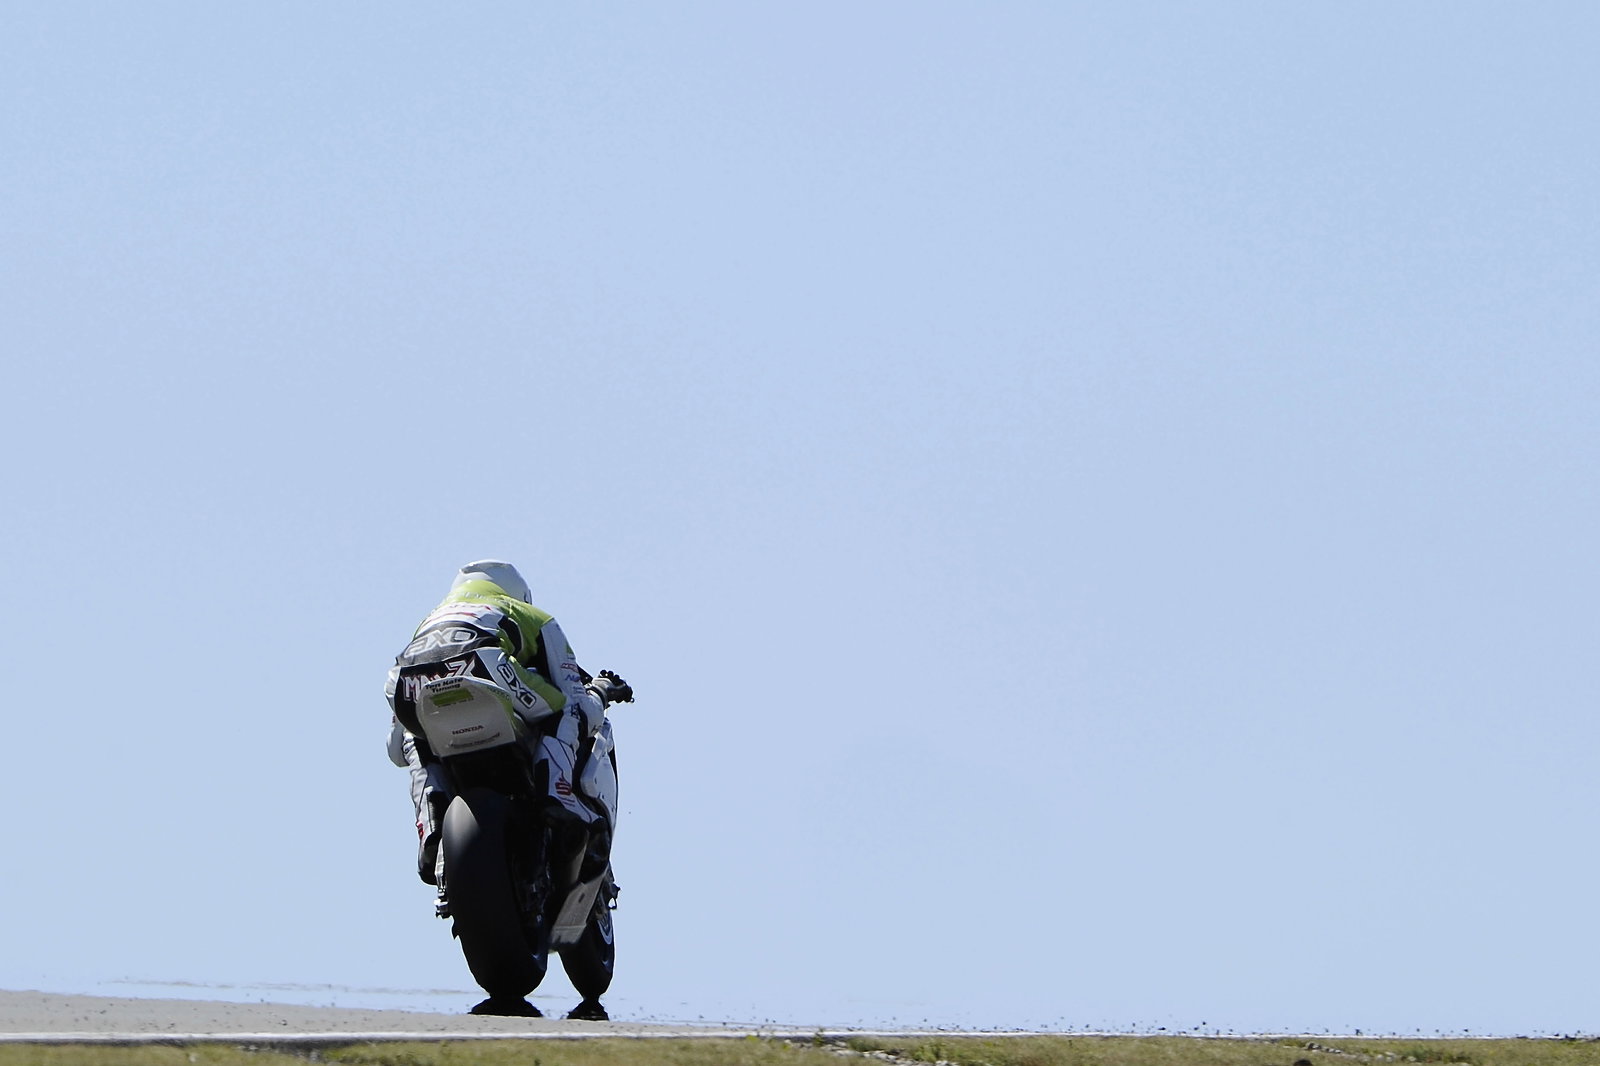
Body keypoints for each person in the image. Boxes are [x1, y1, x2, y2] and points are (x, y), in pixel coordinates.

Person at [384, 560, 630, 890]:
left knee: (415, 741)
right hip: (484, 666)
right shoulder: (530, 615)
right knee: (567, 711)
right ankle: (557, 798)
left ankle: (431, 827)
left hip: (405, 683)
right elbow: (574, 695)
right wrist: (599, 690)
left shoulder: (428, 620)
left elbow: (394, 750)